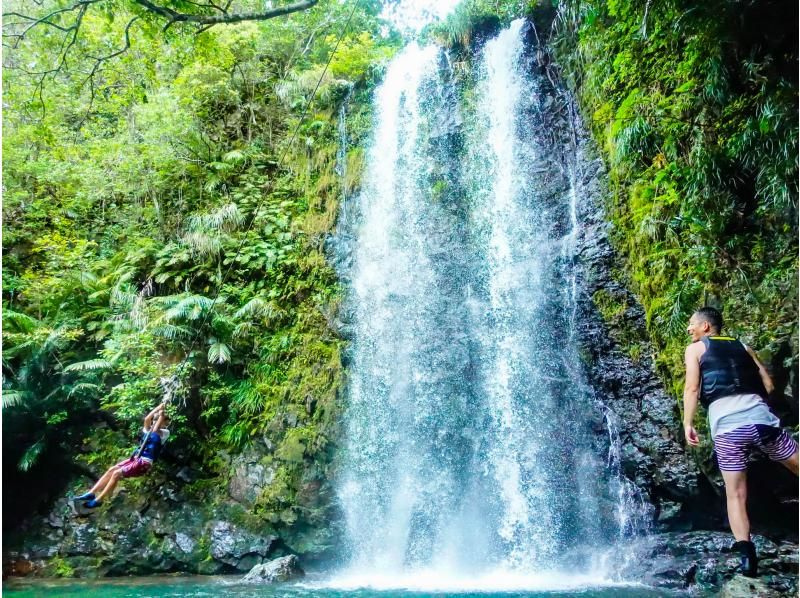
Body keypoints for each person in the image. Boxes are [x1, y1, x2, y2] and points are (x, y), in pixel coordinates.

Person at [683, 306, 798, 577]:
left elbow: (692, 387)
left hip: (727, 429)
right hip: (761, 421)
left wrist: (688, 423)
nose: (689, 329)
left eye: (692, 324)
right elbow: (768, 385)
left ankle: (747, 560)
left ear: (706, 327)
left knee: (735, 495)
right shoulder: (742, 346)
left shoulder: (696, 349)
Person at [73, 404, 170, 511]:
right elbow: (147, 419)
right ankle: (91, 493)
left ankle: (99, 500)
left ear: (166, 423)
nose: (154, 422)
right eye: (154, 420)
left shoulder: (165, 433)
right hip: (136, 459)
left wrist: (160, 416)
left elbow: (155, 429)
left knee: (116, 474)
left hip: (144, 463)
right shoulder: (149, 429)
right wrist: (158, 408)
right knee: (112, 470)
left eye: (158, 420)